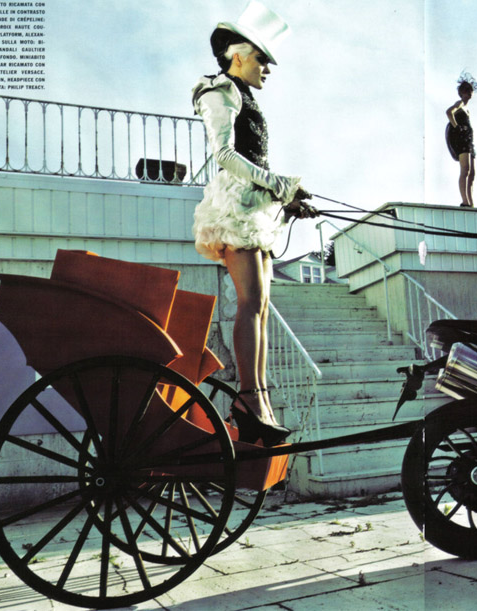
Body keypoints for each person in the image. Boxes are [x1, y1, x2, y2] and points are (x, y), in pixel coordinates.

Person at [191, 1, 316, 447]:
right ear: (239, 55)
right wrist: (280, 185)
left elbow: (254, 159)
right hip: (235, 204)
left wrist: (288, 197)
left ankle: (259, 399)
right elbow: (224, 154)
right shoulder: (219, 90)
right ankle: (248, 399)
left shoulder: (246, 95)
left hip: (255, 204)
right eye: (263, 59)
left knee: (260, 305)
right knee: (251, 301)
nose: (268, 68)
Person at [445, 72, 477, 207]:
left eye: (470, 90)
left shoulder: (467, 109)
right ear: (462, 92)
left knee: (472, 173)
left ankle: (470, 202)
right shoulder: (459, 104)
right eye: (466, 90)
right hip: (462, 140)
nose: (469, 92)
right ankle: (465, 201)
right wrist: (457, 127)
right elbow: (449, 112)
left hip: (469, 141)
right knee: (465, 170)